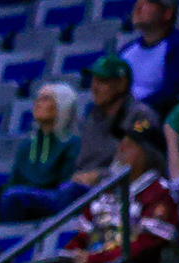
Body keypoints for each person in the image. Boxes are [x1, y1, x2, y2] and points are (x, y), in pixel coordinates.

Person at [54, 114, 177, 263]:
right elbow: (83, 234)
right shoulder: (108, 189)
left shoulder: (159, 192)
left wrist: (94, 259)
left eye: (129, 145)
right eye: (121, 142)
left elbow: (146, 246)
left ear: (147, 153)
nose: (120, 149)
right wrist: (72, 253)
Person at [66, 55, 161, 211]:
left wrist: (99, 176)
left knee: (69, 194)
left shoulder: (141, 117)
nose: (94, 87)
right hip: (84, 190)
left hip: (125, 191)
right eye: (93, 80)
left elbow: (142, 166)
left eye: (102, 81)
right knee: (20, 199)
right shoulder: (90, 121)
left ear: (121, 84)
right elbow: (81, 165)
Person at [0, 83, 83, 223]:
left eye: (46, 99)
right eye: (37, 98)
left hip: (55, 199)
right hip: (22, 197)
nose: (37, 103)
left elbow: (66, 186)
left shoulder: (73, 143)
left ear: (62, 105)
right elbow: (13, 182)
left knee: (12, 198)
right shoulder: (27, 145)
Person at [121, 0, 179, 119]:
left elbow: (172, 95)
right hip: (123, 119)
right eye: (138, 1)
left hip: (153, 123)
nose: (138, 7)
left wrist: (133, 110)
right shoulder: (127, 50)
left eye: (148, 3)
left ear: (167, 14)